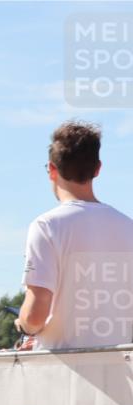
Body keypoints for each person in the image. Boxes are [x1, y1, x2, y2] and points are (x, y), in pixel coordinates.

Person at [16, 121, 133, 349]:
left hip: (61, 371)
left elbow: (35, 315)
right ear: (98, 168)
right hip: (122, 369)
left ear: (52, 169)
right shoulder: (128, 226)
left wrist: (23, 326)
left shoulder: (45, 226)